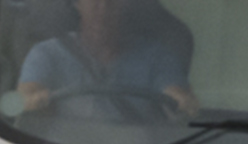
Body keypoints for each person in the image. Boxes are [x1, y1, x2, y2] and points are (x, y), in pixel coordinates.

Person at [16, 0, 197, 121]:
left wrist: (182, 100)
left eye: (111, 2)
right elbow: (27, 93)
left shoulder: (157, 57)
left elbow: (176, 94)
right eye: (94, 1)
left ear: (125, 5)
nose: (102, 10)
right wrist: (33, 99)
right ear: (77, 4)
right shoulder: (46, 53)